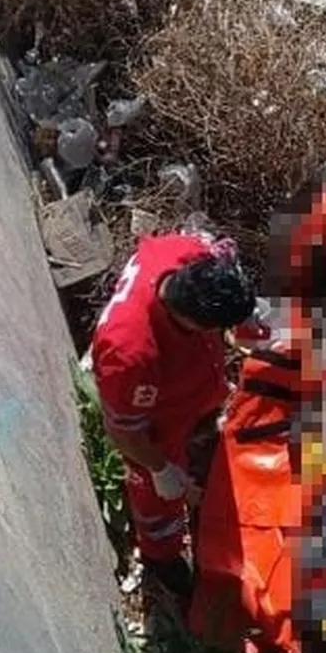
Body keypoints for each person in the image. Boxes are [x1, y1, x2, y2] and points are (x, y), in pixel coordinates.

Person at [91, 230, 256, 598]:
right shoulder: (130, 353)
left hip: (189, 392)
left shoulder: (185, 253)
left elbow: (217, 249)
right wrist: (161, 469)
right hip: (156, 424)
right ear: (196, 324)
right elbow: (124, 431)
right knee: (156, 499)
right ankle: (160, 556)